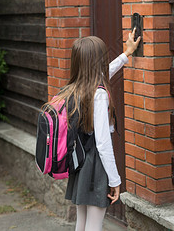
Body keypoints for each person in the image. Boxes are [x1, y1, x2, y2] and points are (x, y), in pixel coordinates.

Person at [57, 28, 140, 231]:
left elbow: (107, 71)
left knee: (82, 222)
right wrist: (115, 180)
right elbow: (103, 143)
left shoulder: (76, 86)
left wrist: (126, 54)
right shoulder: (99, 94)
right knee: (94, 226)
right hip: (95, 164)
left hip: (80, 160)